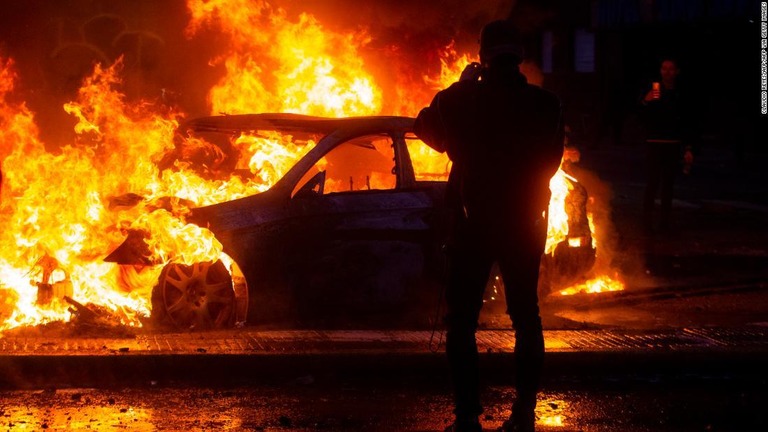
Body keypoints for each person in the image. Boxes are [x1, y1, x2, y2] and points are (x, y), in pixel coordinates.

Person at [414, 20, 564, 432]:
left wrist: (463, 85)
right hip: (524, 222)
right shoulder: (546, 105)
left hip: (472, 224)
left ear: (483, 56)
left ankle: (467, 417)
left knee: (461, 320)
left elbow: (424, 127)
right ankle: (524, 415)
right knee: (526, 317)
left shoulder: (462, 102)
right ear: (519, 57)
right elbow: (552, 161)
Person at [639, 58, 693, 232]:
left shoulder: (681, 93)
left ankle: (664, 223)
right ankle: (646, 222)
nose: (667, 72)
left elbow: (686, 121)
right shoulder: (655, 90)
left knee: (668, 185)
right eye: (664, 69)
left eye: (671, 69)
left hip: (672, 143)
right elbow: (642, 115)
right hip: (654, 142)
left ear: (677, 71)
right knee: (652, 183)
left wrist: (688, 148)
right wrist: (645, 101)